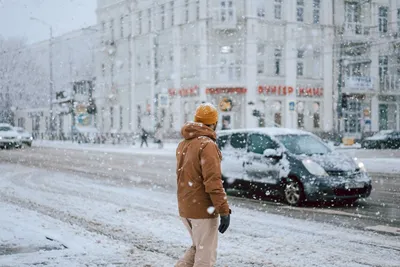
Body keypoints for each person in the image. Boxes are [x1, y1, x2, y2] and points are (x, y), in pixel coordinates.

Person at [175, 103, 231, 267]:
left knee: (197, 247)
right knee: (205, 257)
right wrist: (224, 210)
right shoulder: (207, 145)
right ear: (214, 123)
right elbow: (213, 182)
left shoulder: (184, 143)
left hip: (186, 207)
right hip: (202, 210)